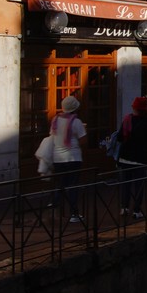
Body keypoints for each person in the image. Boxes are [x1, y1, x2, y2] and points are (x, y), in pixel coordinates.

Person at [116, 96, 147, 220]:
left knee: (126, 184)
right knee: (139, 185)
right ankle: (137, 210)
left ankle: (124, 207)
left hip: (125, 156)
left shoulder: (127, 120)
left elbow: (119, 137)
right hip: (139, 158)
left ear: (134, 108)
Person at [50, 95, 87, 223]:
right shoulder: (76, 122)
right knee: (73, 185)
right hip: (73, 157)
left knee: (60, 184)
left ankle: (54, 208)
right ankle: (73, 213)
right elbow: (83, 140)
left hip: (58, 158)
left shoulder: (55, 120)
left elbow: (52, 137)